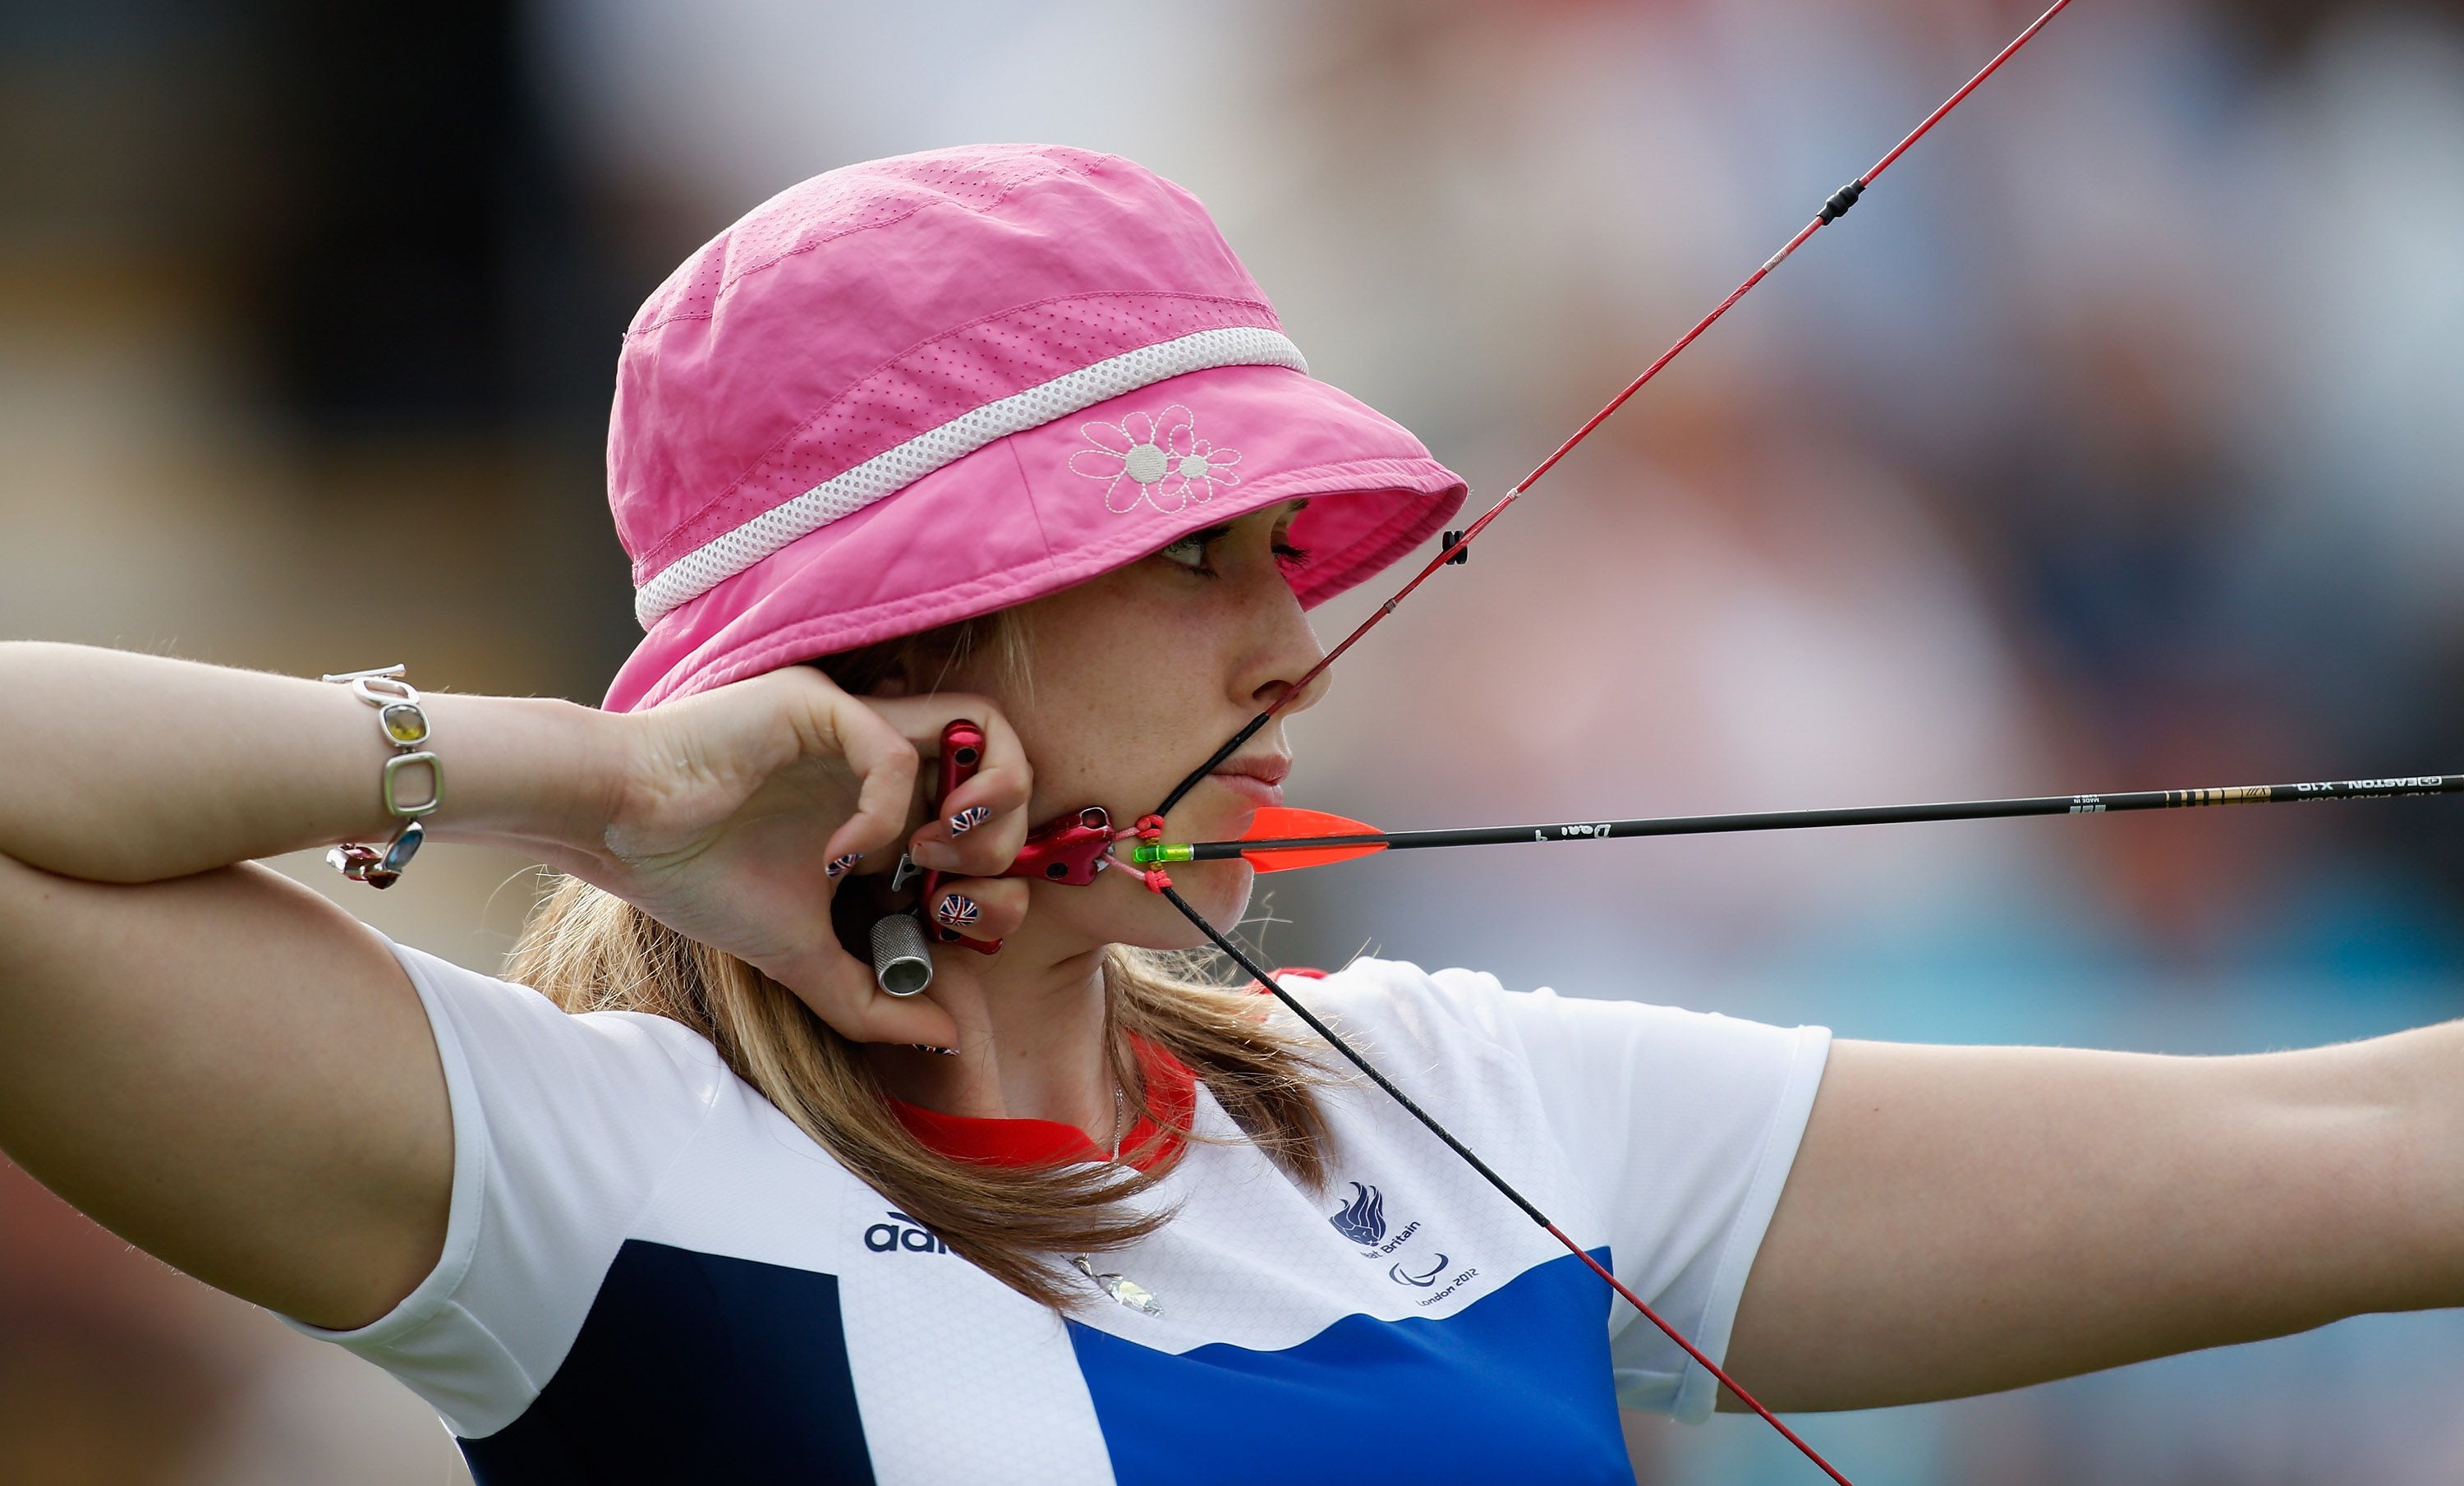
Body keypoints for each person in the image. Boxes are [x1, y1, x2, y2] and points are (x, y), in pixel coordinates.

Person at [0, 145, 2456, 1486]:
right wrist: (606, 773)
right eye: (1199, 562)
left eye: (1278, 560)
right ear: (925, 632)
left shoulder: (1473, 1111)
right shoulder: (591, 1177)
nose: (1297, 646)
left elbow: (2376, 1152)